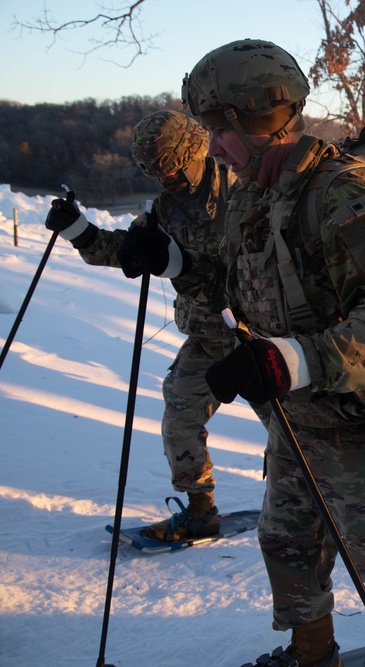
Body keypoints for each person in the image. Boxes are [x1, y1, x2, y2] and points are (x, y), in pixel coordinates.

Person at [116, 40, 365, 667]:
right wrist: (171, 260)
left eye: (215, 129)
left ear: (254, 120)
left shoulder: (347, 194)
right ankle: (313, 652)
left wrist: (288, 360)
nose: (209, 148)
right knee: (286, 540)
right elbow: (233, 285)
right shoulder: (247, 196)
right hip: (295, 413)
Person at [44, 110, 262, 542]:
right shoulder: (167, 208)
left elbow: (245, 275)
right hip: (205, 336)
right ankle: (201, 511)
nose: (167, 180)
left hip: (255, 338)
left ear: (195, 151)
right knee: (179, 418)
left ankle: (320, 507)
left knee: (292, 430)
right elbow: (130, 250)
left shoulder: (244, 195)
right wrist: (81, 232)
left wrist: (178, 263)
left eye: (173, 169)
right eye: (157, 173)